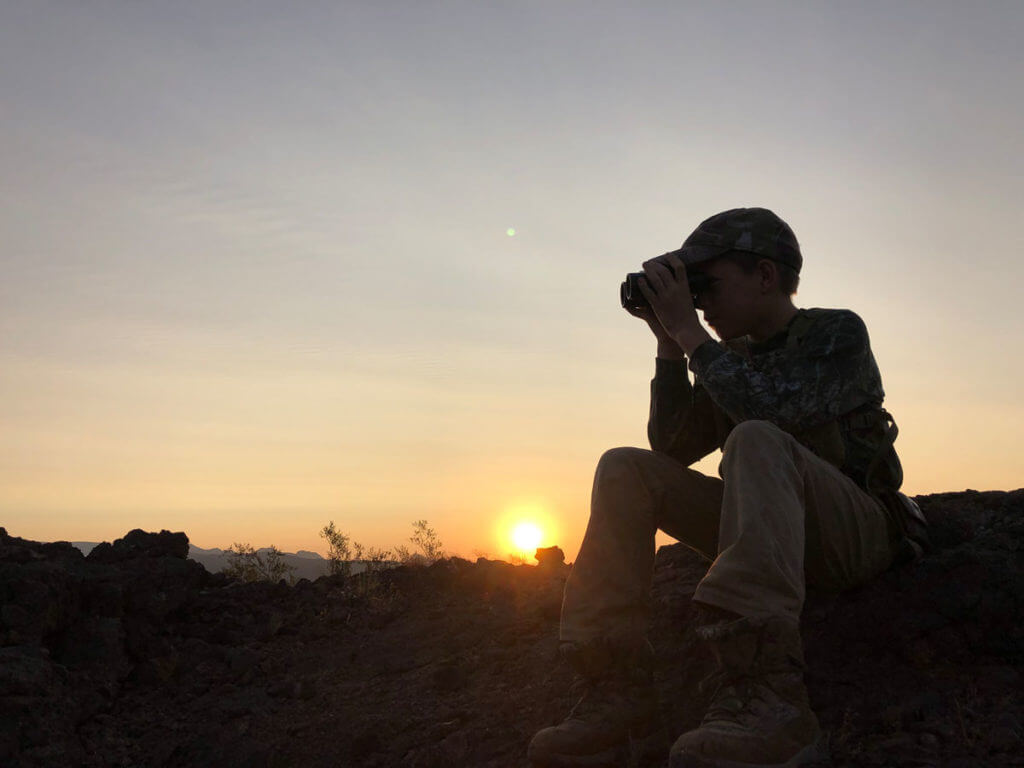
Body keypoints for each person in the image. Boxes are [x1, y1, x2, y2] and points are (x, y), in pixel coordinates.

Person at [528, 208, 924, 768]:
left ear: (765, 276)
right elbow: (669, 449)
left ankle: (771, 700)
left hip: (852, 536)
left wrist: (692, 337)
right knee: (624, 467)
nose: (700, 305)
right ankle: (617, 692)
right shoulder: (726, 358)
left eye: (706, 286)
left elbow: (773, 409)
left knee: (757, 437)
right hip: (769, 534)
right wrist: (668, 343)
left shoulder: (837, 331)